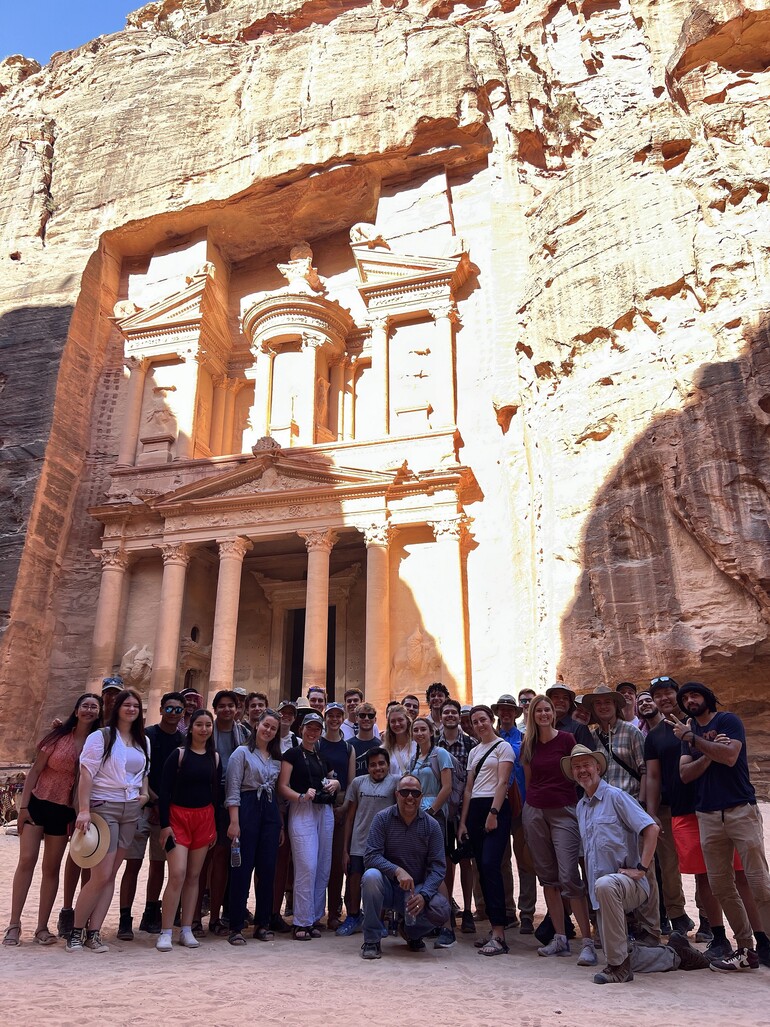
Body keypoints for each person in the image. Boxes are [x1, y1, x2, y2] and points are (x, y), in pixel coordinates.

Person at [563, 744, 710, 984]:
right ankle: (676, 955)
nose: (582, 770)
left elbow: (651, 828)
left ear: (598, 767)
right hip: (602, 893)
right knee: (619, 949)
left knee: (606, 888)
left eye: (586, 765)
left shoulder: (616, 796)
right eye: (576, 767)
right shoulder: (581, 807)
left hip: (627, 885)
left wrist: (641, 868)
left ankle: (619, 969)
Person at [646, 675, 755, 959]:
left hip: (721, 804)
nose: (665, 699)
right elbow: (658, 776)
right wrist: (651, 812)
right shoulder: (656, 735)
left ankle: (757, 936)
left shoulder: (702, 725)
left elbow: (729, 757)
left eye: (671, 693)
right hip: (684, 809)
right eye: (659, 695)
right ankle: (717, 931)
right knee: (706, 876)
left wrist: (696, 743)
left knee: (741, 875)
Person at [676, 681, 770, 972]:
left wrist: (694, 739)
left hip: (740, 809)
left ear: (707, 698)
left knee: (759, 883)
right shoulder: (688, 734)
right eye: (686, 697)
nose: (691, 700)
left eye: (695, 695)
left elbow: (730, 757)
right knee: (720, 885)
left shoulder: (728, 720)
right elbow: (685, 774)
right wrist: (709, 749)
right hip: (707, 816)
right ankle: (745, 949)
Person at [4, 694, 102, 947]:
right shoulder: (58, 736)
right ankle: (13, 924)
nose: (89, 710)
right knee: (26, 860)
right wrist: (23, 807)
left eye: (94, 707)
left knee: (51, 868)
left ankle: (41, 928)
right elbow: (35, 770)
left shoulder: (97, 742)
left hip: (65, 811)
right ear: (77, 710)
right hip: (38, 803)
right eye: (85, 706)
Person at [66, 689, 150, 953]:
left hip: (130, 809)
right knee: (100, 875)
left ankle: (94, 933)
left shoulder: (142, 741)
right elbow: (86, 773)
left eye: (136, 705)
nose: (132, 709)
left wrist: (145, 795)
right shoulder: (100, 736)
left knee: (111, 874)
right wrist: (83, 809)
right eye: (127, 704)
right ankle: (75, 932)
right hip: (105, 807)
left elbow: (144, 772)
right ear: (117, 708)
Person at [520, 694, 596, 965]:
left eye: (547, 710)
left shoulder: (567, 740)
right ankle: (560, 938)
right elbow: (529, 782)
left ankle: (587, 940)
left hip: (564, 809)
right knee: (548, 877)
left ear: (553, 714)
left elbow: (580, 772)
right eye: (539, 710)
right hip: (535, 810)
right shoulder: (527, 744)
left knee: (569, 876)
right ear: (533, 715)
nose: (543, 714)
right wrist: (529, 811)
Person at [118, 691, 186, 940]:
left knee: (158, 866)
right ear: (161, 709)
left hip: (164, 813)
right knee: (133, 865)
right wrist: (156, 801)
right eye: (169, 709)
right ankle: (125, 918)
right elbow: (139, 772)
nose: (173, 714)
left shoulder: (182, 740)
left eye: (178, 710)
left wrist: (163, 806)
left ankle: (150, 913)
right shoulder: (147, 736)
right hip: (144, 808)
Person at [360, 774, 450, 959]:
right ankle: (371, 940)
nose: (410, 797)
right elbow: (370, 856)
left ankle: (412, 933)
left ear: (421, 796)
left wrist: (424, 895)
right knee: (370, 877)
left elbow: (439, 867)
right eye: (405, 792)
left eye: (415, 793)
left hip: (414, 891)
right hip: (386, 887)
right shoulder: (382, 819)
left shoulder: (432, 826)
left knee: (441, 909)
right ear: (396, 794)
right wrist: (397, 871)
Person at [156, 709, 219, 951]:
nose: (204, 729)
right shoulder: (179, 755)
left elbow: (215, 793)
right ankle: (165, 930)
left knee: (194, 877)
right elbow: (164, 792)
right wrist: (165, 826)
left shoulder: (215, 757)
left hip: (203, 818)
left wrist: (213, 824)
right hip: (178, 818)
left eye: (207, 725)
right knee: (178, 874)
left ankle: (186, 928)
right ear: (190, 727)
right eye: (199, 724)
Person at [457, 705, 514, 956]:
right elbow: (469, 788)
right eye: (475, 721)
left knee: (491, 865)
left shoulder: (504, 747)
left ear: (492, 721)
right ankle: (494, 929)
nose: (480, 724)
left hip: (495, 807)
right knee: (482, 868)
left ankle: (500, 934)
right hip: (476, 809)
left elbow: (503, 781)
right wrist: (463, 822)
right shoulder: (474, 751)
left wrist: (493, 813)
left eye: (483, 720)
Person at [278, 712, 340, 939]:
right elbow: (282, 786)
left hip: (323, 811)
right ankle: (301, 921)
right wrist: (300, 796)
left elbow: (333, 780)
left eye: (317, 729)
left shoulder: (323, 758)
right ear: (301, 729)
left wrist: (336, 782)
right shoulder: (292, 754)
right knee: (307, 865)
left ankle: (314, 917)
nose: (313, 733)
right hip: (302, 808)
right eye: (309, 728)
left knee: (323, 865)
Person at [226, 709, 283, 945]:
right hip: (247, 807)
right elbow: (233, 788)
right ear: (257, 725)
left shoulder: (277, 757)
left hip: (269, 810)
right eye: (266, 725)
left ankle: (263, 922)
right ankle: (236, 925)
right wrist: (234, 821)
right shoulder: (241, 753)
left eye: (273, 728)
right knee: (242, 868)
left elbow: (278, 794)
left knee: (267, 869)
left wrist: (279, 824)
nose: (268, 730)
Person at [202, 689, 250, 935]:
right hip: (209, 796)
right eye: (222, 706)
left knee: (223, 857)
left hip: (235, 797)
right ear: (215, 707)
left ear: (237, 708)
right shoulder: (205, 731)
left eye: (231, 705)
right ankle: (195, 915)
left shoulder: (244, 733)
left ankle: (216, 917)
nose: (227, 710)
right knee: (204, 858)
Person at [337, 747, 397, 936]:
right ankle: (354, 916)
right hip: (359, 841)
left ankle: (378, 921)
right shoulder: (358, 783)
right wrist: (345, 849)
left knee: (379, 881)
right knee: (354, 878)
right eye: (373, 765)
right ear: (367, 767)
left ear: (388, 765)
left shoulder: (396, 783)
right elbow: (350, 817)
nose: (377, 768)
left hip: (383, 844)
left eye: (381, 764)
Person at [492, 693, 537, 936]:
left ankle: (527, 912)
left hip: (522, 803)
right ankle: (508, 910)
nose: (506, 713)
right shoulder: (492, 739)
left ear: (516, 714)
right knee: (501, 860)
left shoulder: (525, 739)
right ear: (498, 713)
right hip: (498, 806)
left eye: (510, 710)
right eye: (502, 709)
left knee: (525, 860)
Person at [410, 716, 455, 948]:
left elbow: (447, 787)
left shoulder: (441, 754)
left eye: (423, 729)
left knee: (437, 868)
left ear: (431, 732)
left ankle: (447, 926)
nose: (419, 733)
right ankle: (432, 921)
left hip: (434, 817)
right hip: (416, 816)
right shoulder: (414, 759)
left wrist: (432, 810)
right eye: (415, 730)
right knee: (423, 868)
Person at [437, 698, 476, 934]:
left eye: (454, 712)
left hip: (464, 810)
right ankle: (448, 907)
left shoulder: (470, 744)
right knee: (445, 862)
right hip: (442, 812)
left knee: (465, 860)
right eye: (446, 712)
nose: (450, 716)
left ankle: (469, 911)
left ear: (459, 716)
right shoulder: (434, 743)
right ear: (440, 716)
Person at [319, 702, 353, 930]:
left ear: (342, 718)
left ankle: (333, 912)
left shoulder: (348, 748)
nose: (334, 719)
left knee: (337, 861)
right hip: (320, 805)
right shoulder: (317, 744)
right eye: (330, 715)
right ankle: (315, 911)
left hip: (341, 805)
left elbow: (350, 784)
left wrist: (343, 808)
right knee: (319, 860)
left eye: (337, 715)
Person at [583, 685, 646, 802]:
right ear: (593, 708)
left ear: (615, 705)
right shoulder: (592, 737)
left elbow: (644, 771)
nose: (603, 706)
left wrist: (642, 803)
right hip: (603, 805)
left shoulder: (631, 732)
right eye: (598, 703)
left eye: (607, 702)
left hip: (630, 802)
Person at [545, 684, 596, 750]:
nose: (561, 700)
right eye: (556, 697)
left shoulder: (579, 728)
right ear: (549, 701)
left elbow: (589, 757)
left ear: (569, 704)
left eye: (565, 698)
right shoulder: (542, 725)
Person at [382, 703, 416, 777]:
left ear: (407, 721)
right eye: (393, 721)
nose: (397, 724)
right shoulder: (384, 749)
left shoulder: (417, 746)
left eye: (400, 720)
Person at [349, 702, 381, 776]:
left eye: (370, 716)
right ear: (356, 718)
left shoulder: (381, 745)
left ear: (375, 719)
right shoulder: (348, 746)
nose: (366, 718)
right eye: (362, 715)